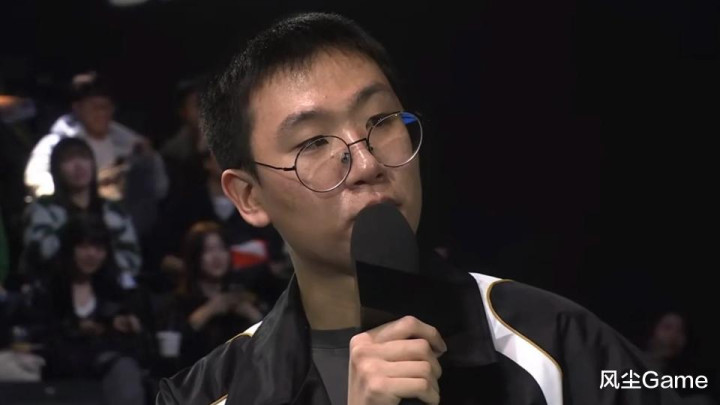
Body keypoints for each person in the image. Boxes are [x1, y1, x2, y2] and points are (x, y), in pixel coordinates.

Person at [157, 12, 680, 405]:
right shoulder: (203, 394)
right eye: (314, 143)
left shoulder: (551, 339)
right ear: (249, 197)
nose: (366, 163)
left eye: (381, 121)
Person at [23, 71, 168, 235]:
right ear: (77, 108)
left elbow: (159, 188)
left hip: (127, 222)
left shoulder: (132, 144)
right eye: (94, 107)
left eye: (106, 107)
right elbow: (36, 179)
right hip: (79, 227)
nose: (101, 113)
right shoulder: (56, 143)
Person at [20, 137, 141, 286]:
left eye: (84, 157)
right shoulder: (44, 208)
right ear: (56, 168)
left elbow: (131, 259)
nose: (78, 165)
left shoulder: (114, 211)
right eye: (68, 159)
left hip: (110, 289)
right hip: (57, 290)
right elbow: (39, 253)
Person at [155, 221, 263, 370]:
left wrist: (254, 316)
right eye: (208, 250)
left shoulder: (242, 299)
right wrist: (208, 311)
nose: (216, 257)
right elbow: (169, 358)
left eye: (221, 249)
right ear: (194, 257)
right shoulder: (176, 304)